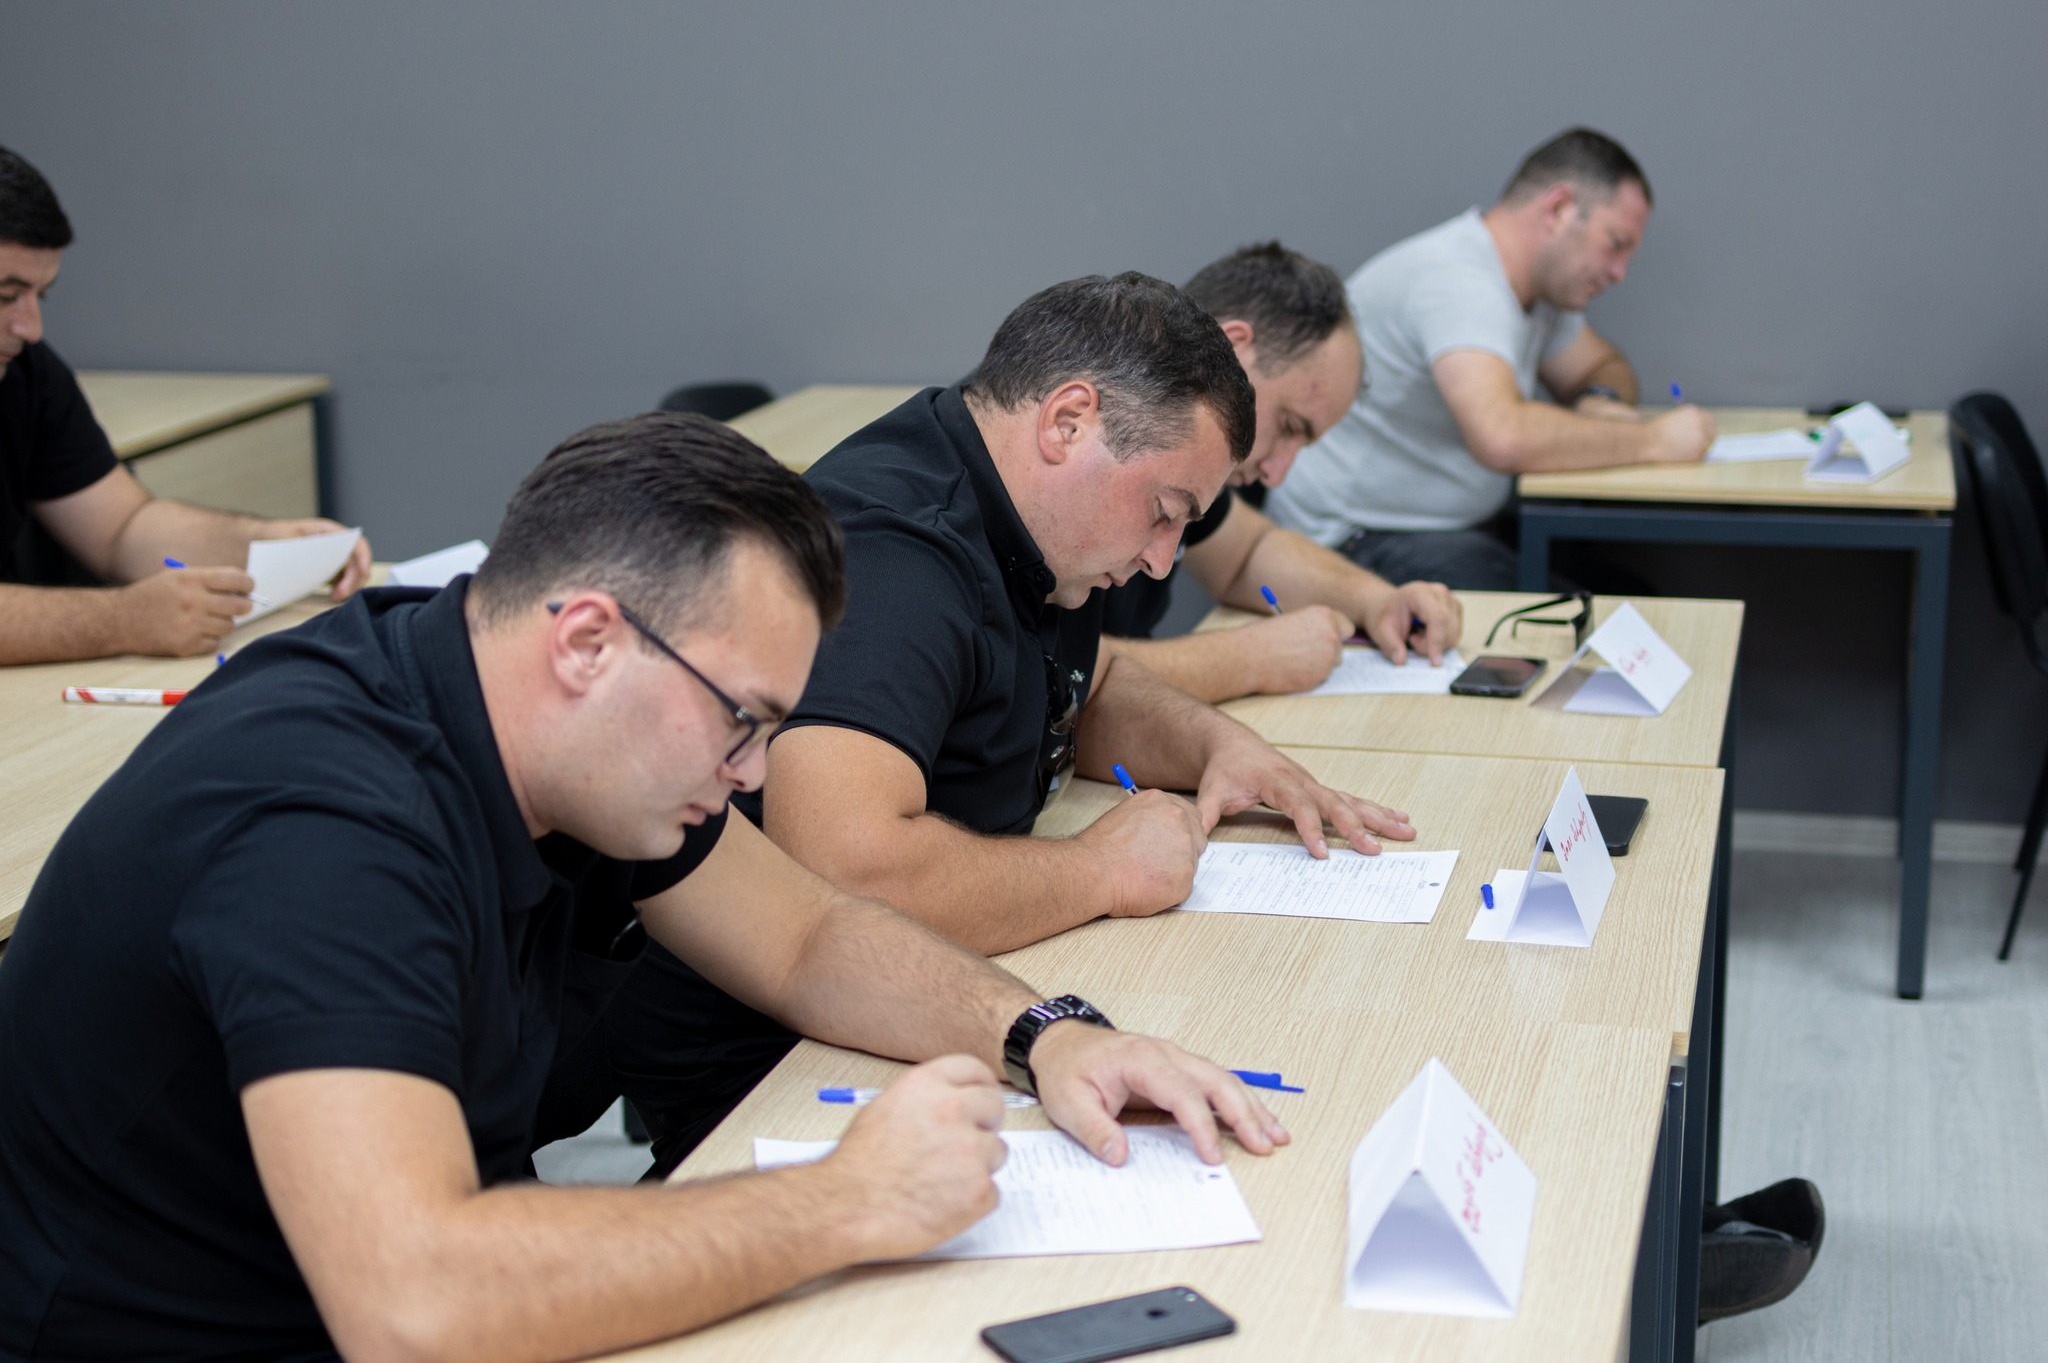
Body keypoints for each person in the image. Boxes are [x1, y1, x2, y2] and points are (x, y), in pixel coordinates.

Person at [0, 413, 1285, 1362]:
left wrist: (1046, 1035)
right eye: (741, 721)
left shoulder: (550, 722)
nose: (754, 773)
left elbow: (806, 936)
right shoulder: (323, 831)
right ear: (585, 642)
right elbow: (414, 1302)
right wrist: (847, 1200)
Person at [558, 273, 1416, 1177]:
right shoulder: (900, 554)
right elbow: (846, 866)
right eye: (1164, 514)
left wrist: (1220, 748)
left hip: (917, 991)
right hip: (774, 1063)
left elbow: (1084, 683)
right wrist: (1100, 870)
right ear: (1068, 422)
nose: (1166, 560)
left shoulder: (1037, 521)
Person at [1265, 128, 1717, 590]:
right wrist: (1654, 440)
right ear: (1559, 210)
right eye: (1615, 244)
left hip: (1444, 526)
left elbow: (1601, 366)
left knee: (1631, 601)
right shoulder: (1460, 282)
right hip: (1352, 538)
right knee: (1595, 625)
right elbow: (1501, 436)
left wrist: (1598, 398)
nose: (1618, 273)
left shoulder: (1538, 293)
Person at [0, 143, 370, 664]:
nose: (30, 328)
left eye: (40, 296)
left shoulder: (25, 372)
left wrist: (270, 543)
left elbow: (122, 530)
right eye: (5, 296)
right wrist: (120, 621)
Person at [1101, 242, 1461, 702]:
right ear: (1232, 351)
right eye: (1288, 425)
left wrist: (1377, 601)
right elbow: (1055, 675)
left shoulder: (1187, 459)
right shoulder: (1093, 446)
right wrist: (1247, 660)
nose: (1276, 474)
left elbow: (1246, 553)